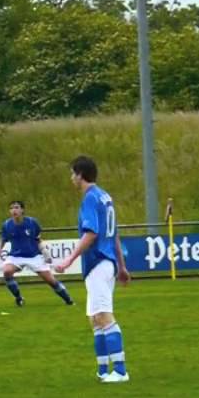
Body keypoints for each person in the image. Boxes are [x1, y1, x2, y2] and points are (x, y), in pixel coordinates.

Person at [54, 156, 132, 383]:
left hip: (98, 261)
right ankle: (102, 370)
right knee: (94, 318)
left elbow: (92, 233)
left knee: (103, 315)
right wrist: (122, 266)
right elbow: (114, 233)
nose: (71, 178)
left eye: (72, 173)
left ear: (80, 174)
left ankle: (120, 371)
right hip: (105, 263)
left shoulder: (90, 198)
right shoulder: (105, 197)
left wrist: (69, 259)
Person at [0, 201, 74, 307]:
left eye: (16, 207)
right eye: (11, 208)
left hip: (34, 256)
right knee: (6, 272)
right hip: (15, 256)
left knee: (51, 281)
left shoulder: (32, 222)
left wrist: (45, 253)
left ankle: (68, 299)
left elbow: (38, 239)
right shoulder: (6, 225)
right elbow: (3, 238)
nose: (14, 210)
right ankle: (19, 298)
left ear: (22, 210)